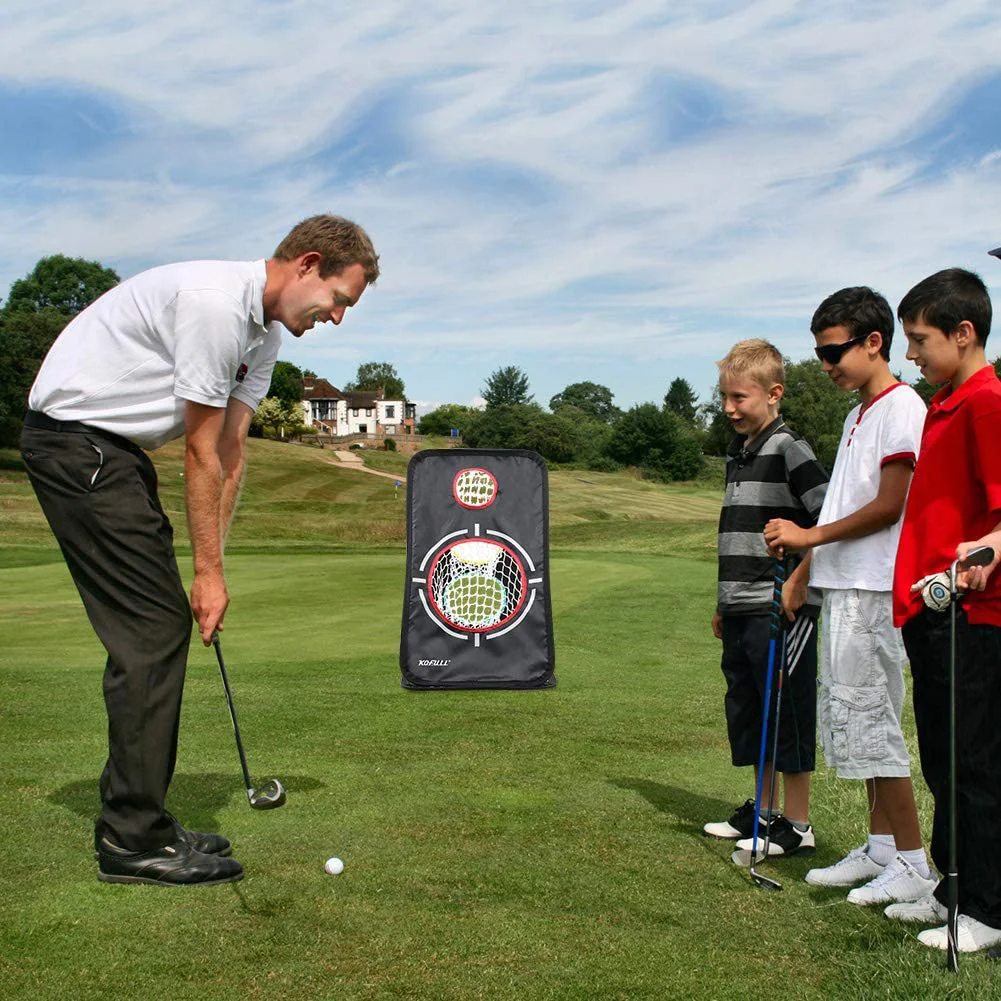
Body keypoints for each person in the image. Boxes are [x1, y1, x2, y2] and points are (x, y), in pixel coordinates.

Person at [19, 214, 379, 886]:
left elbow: (232, 451)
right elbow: (197, 449)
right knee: (153, 632)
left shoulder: (264, 334)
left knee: (157, 628)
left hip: (113, 457)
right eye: (338, 299)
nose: (336, 316)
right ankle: (131, 838)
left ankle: (145, 821)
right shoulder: (216, 306)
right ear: (306, 264)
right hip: (75, 445)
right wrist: (204, 575)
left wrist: (219, 565)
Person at [762, 287, 933, 906]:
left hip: (876, 587)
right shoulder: (857, 413)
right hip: (843, 583)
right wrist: (808, 566)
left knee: (876, 725)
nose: (827, 364)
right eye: (820, 353)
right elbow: (844, 503)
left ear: (872, 342)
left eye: (834, 352)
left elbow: (889, 507)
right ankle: (882, 849)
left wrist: (807, 536)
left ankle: (913, 861)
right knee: (855, 723)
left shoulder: (902, 408)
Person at [884, 268, 1001, 953]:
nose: (911, 355)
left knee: (974, 763)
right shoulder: (946, 402)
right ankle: (952, 887)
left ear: (963, 333)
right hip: (929, 613)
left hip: (971, 615)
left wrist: (974, 558)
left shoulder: (986, 401)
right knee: (944, 762)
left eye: (920, 340)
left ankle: (987, 906)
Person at [704, 339, 828, 858]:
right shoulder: (742, 451)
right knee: (753, 710)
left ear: (773, 393)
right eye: (724, 398)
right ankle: (765, 811)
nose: (729, 408)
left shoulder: (789, 448)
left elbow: (826, 520)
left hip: (781, 607)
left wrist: (800, 580)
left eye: (739, 398)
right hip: (741, 605)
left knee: (787, 712)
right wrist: (723, 601)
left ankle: (796, 825)